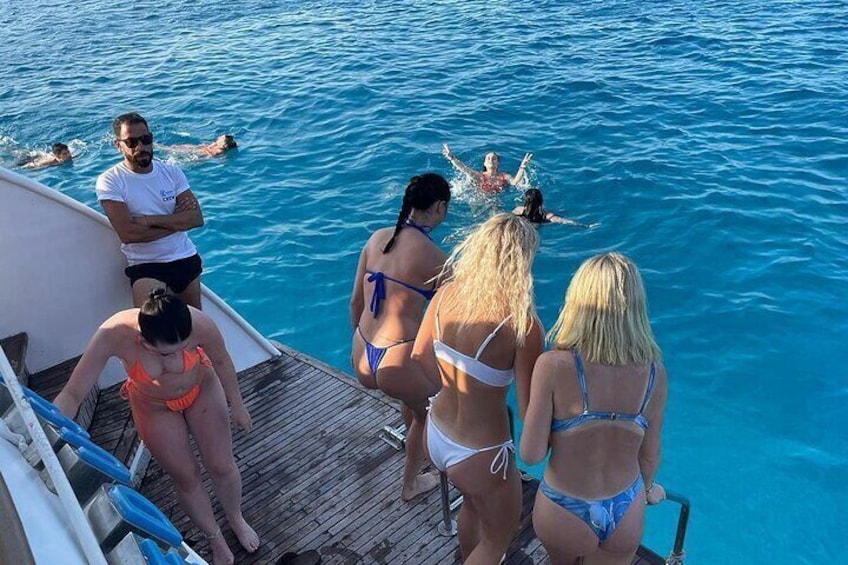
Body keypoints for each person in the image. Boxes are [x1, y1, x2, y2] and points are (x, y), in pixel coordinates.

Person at [52, 290, 258, 565]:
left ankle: (235, 516)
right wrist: (51, 427)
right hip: (154, 406)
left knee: (221, 465)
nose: (177, 356)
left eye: (186, 347)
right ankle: (214, 537)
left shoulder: (200, 323)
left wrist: (238, 405)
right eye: (168, 352)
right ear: (144, 342)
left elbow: (221, 360)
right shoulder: (113, 334)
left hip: (202, 389)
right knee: (186, 477)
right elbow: (73, 393)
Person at [412, 214, 544, 564]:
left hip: (436, 433)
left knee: (471, 505)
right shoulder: (522, 325)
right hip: (482, 453)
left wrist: (455, 392)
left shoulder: (445, 294)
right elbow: (528, 410)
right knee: (497, 540)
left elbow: (419, 355)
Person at [520, 252, 668, 565]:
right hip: (625, 507)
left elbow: (531, 454)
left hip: (564, 506)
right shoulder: (655, 373)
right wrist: (648, 489)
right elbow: (650, 454)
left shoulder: (553, 365)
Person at [350, 172, 451, 501]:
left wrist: (359, 343)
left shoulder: (376, 238)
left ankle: (410, 433)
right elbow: (449, 324)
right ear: (439, 207)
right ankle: (411, 484)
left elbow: (355, 303)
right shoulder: (437, 259)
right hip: (398, 361)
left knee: (411, 396)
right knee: (431, 411)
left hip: (362, 354)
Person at [96, 113, 205, 309]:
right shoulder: (111, 180)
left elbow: (196, 219)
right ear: (118, 145)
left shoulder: (172, 172)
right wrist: (177, 222)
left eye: (146, 139)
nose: (141, 147)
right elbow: (129, 234)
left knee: (194, 322)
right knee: (150, 325)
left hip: (185, 257)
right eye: (131, 142)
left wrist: (147, 220)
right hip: (146, 265)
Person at [442, 143, 532, 194]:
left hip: (496, 200)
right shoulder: (480, 176)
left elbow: (515, 182)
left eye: (494, 158)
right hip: (479, 199)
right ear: (484, 163)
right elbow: (464, 168)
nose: (491, 160)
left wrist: (522, 167)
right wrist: (451, 158)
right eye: (488, 158)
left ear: (497, 163)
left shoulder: (504, 176)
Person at [512, 188, 600, 228]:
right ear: (541, 201)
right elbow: (566, 221)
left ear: (526, 201)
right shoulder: (547, 216)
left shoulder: (518, 210)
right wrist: (585, 226)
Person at [161, 134, 238, 158]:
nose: (218, 137)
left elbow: (210, 155)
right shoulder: (217, 144)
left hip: (199, 152)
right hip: (200, 148)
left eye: (221, 138)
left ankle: (161, 148)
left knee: (174, 150)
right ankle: (162, 148)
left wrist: (207, 149)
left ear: (223, 145)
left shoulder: (219, 150)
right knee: (181, 147)